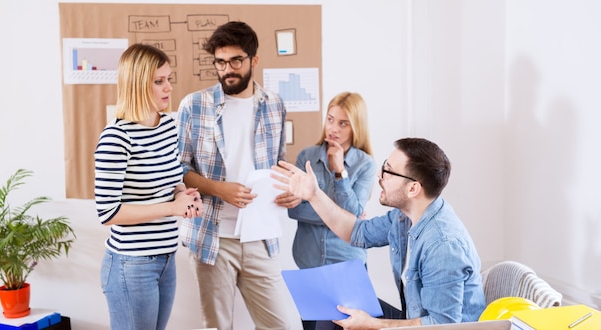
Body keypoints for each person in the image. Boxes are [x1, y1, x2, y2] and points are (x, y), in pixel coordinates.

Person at [272, 137, 486, 329]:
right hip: (416, 318)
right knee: (336, 307)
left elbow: (442, 325)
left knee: (342, 319)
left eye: (388, 171)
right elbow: (357, 232)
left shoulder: (442, 245)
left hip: (437, 328)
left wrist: (373, 324)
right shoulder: (405, 217)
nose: (379, 175)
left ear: (413, 189)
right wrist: (314, 195)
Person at [176, 21, 299, 329]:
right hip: (213, 237)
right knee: (217, 326)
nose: (227, 69)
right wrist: (219, 189)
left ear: (253, 60)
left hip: (260, 237)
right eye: (220, 62)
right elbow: (178, 169)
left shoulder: (274, 105)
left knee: (284, 324)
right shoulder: (194, 105)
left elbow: (279, 164)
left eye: (236, 61)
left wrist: (290, 191)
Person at [94, 43, 204, 330]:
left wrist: (185, 195)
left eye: (168, 78)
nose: (168, 87)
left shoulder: (168, 126)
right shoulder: (115, 139)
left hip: (166, 259)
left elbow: (174, 178)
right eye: (158, 81)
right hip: (132, 265)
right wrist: (172, 207)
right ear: (137, 84)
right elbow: (108, 213)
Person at [286, 92, 377, 330]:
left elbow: (354, 213)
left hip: (347, 264)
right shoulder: (307, 156)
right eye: (330, 119)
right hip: (309, 263)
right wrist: (341, 218)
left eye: (343, 123)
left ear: (355, 127)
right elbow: (294, 210)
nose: (333, 128)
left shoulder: (365, 164)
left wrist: (340, 173)